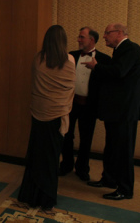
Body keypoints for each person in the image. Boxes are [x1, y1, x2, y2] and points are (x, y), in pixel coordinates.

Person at [83, 23, 140, 200]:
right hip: (117, 110)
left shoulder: (131, 49)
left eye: (107, 33)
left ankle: (125, 189)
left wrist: (97, 67)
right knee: (112, 147)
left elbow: (119, 72)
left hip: (125, 111)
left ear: (119, 33)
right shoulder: (121, 50)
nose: (104, 36)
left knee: (123, 151)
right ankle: (109, 179)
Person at [17, 25, 76, 210]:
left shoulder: (38, 59)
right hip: (57, 115)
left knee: (36, 155)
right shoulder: (70, 60)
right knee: (51, 158)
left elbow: (35, 83)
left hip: (38, 113)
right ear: (63, 41)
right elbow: (70, 88)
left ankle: (30, 195)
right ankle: (46, 198)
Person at [59, 27, 111, 181]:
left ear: (92, 40)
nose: (78, 39)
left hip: (90, 105)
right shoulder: (71, 56)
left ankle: (82, 168)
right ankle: (66, 164)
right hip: (70, 103)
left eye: (82, 37)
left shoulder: (104, 60)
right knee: (67, 135)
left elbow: (107, 84)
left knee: (86, 138)